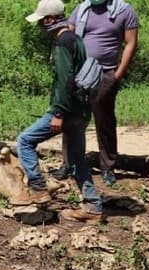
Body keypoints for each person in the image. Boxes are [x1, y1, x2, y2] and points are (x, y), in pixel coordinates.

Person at [16, 0, 104, 223]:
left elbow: (65, 79)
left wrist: (58, 113)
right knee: (76, 159)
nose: (39, 27)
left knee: (25, 141)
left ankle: (37, 187)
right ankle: (93, 206)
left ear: (50, 20)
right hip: (81, 108)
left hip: (68, 109)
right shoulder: (74, 39)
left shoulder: (62, 42)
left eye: (41, 21)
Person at [50, 0, 138, 186]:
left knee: (104, 120)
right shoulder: (82, 9)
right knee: (72, 118)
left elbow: (130, 42)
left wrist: (118, 74)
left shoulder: (124, 11)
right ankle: (68, 163)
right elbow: (70, 35)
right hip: (80, 73)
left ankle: (107, 167)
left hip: (105, 73)